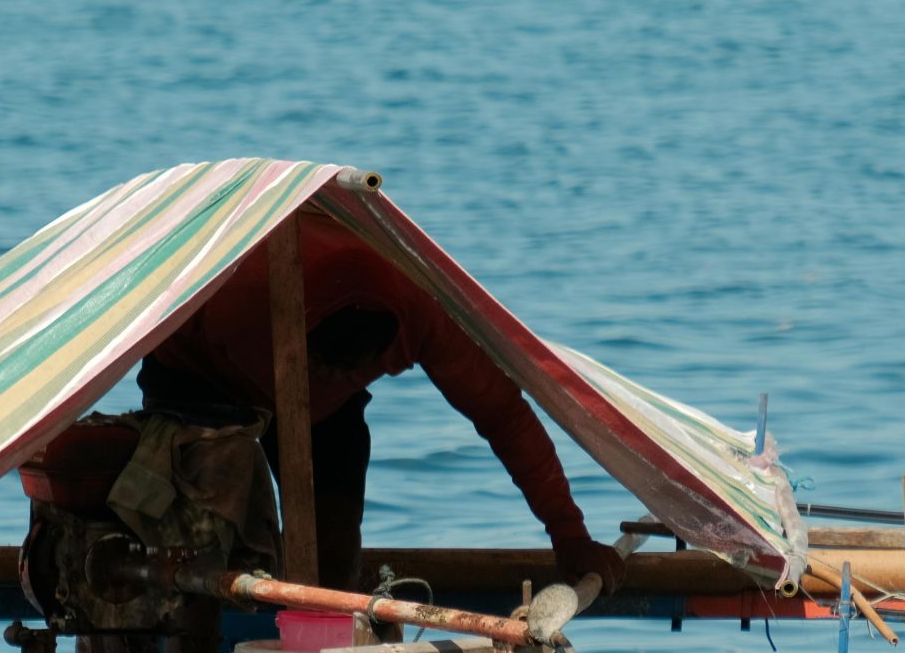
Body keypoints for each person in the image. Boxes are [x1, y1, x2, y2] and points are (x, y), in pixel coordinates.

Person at [139, 215, 623, 593]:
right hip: (197, 381)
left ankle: (325, 651)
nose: (328, 379)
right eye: (322, 369)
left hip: (325, 412)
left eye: (347, 373)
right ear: (305, 338)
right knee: (209, 543)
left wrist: (570, 536)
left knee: (333, 552)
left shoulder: (425, 313)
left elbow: (504, 417)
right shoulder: (241, 299)